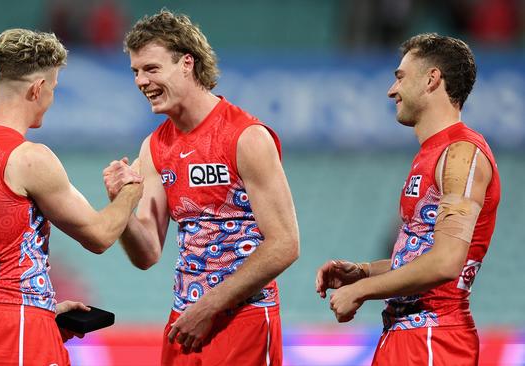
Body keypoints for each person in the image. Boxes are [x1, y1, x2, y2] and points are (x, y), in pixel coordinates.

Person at [102, 10, 300, 365]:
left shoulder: (246, 137)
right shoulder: (154, 147)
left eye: (151, 68)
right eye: (135, 71)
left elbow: (285, 244)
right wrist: (121, 205)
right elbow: (147, 253)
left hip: (243, 320)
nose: (140, 81)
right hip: (186, 321)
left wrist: (207, 307)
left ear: (186, 64)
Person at [0, 28, 143, 366]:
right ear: (37, 89)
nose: (51, 100)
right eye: (53, 89)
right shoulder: (28, 158)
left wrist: (40, 305)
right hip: (20, 327)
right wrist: (132, 190)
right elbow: (99, 235)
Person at [315, 33, 500, 365]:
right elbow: (419, 256)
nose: (391, 90)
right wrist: (363, 272)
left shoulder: (461, 153)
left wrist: (362, 291)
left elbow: (445, 263)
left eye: (400, 77)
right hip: (407, 337)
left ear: (432, 79)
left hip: (434, 341)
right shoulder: (432, 153)